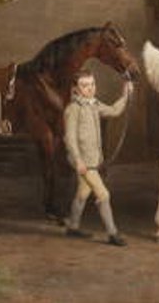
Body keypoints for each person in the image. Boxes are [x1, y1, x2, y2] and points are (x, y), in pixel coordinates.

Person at [63, 69, 133, 245]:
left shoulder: (94, 104)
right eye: (84, 85)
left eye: (92, 84)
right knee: (103, 194)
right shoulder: (73, 109)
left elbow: (114, 111)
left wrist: (125, 95)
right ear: (76, 89)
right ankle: (112, 234)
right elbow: (69, 138)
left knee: (82, 193)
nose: (90, 88)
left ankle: (72, 226)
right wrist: (78, 160)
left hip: (93, 160)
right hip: (83, 161)